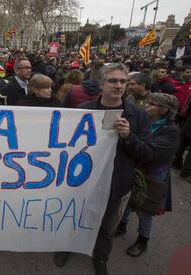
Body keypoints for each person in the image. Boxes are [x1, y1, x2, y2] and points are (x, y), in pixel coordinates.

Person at [54, 63, 154, 275]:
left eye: (123, 81)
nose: (118, 85)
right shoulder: (83, 111)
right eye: (112, 81)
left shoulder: (137, 115)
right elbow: (65, 146)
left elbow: (147, 154)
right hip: (81, 180)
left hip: (116, 183)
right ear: (101, 84)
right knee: (73, 217)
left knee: (106, 226)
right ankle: (66, 248)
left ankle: (100, 258)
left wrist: (129, 137)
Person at [115, 93, 179, 257]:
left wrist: (130, 138)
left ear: (164, 110)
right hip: (135, 167)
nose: (146, 106)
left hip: (153, 175)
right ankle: (122, 225)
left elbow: (151, 154)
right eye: (147, 102)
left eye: (152, 104)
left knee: (145, 208)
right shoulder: (145, 121)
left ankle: (143, 240)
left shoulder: (170, 130)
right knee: (128, 199)